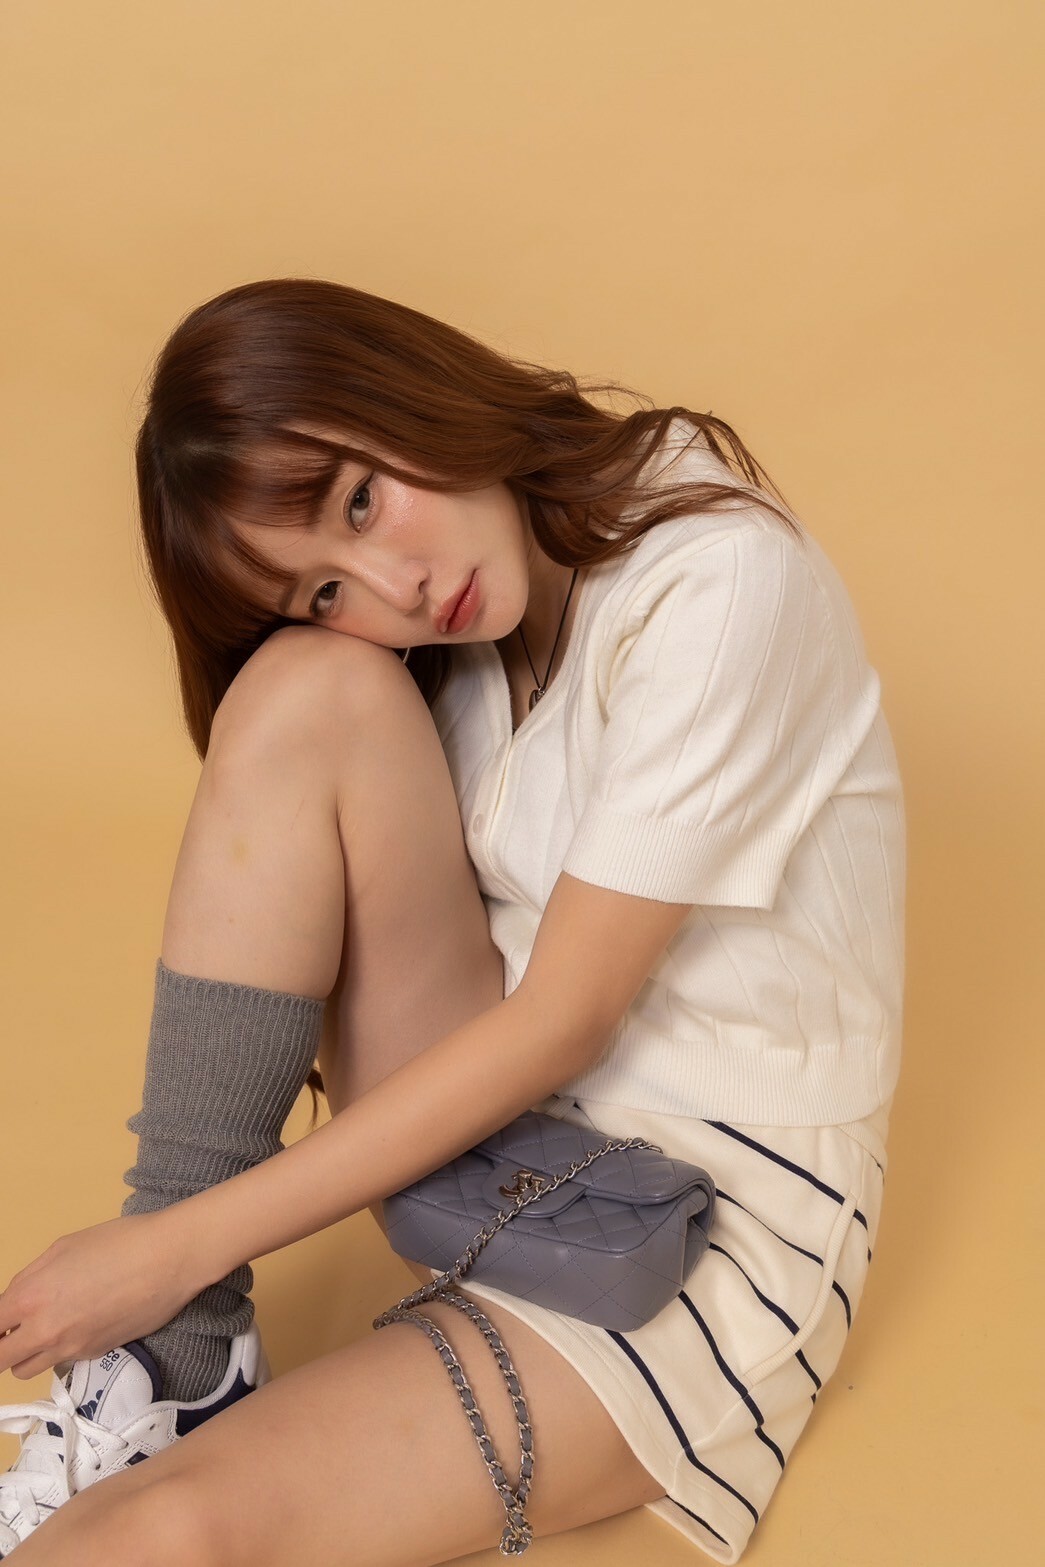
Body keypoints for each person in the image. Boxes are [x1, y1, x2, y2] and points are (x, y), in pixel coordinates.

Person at [0, 279, 904, 1567]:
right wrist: (174, 1264)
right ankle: (177, 1364)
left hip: (709, 1227)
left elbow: (565, 1020)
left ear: (400, 387)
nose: (396, 588)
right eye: (323, 588)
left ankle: (167, 1313)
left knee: (161, 1536)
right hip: (497, 1143)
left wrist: (165, 1250)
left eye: (361, 501)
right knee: (302, 692)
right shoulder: (457, 613)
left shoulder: (719, 581)